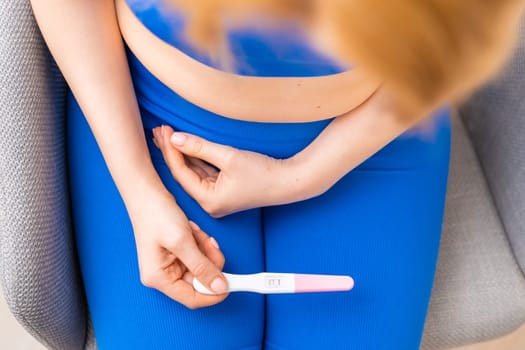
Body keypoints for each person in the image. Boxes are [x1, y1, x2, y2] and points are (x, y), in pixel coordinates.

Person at [29, 0, 524, 349]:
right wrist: (139, 189)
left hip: (373, 137)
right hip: (151, 129)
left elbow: (460, 34)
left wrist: (305, 174)